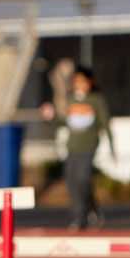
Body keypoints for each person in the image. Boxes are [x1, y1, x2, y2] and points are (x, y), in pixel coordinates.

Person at [42, 65, 116, 231]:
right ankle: (78, 217)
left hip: (88, 147)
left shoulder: (97, 100)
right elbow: (63, 122)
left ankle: (92, 209)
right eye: (77, 81)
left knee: (83, 179)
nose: (80, 84)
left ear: (90, 82)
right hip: (72, 147)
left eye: (83, 81)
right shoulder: (71, 99)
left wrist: (113, 150)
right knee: (72, 182)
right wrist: (51, 116)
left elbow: (106, 125)